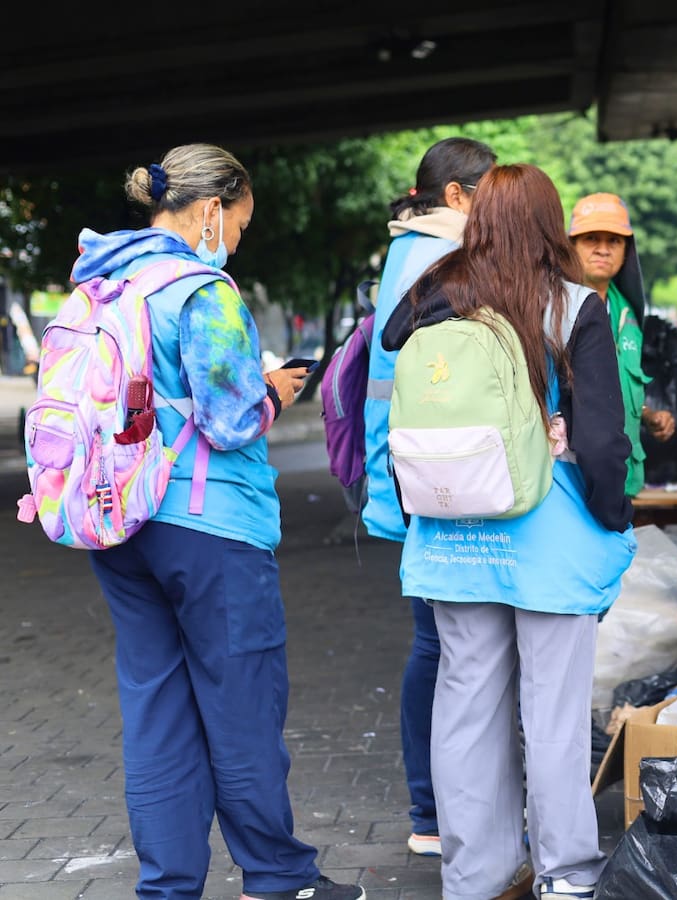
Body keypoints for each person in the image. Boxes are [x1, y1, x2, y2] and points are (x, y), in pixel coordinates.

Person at [77, 144, 365, 900]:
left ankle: (168, 888)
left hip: (117, 521)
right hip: (209, 527)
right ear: (211, 211)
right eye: (238, 224)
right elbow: (232, 417)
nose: (235, 239)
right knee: (240, 709)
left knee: (157, 712)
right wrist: (273, 388)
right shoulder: (202, 288)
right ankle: (277, 878)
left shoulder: (105, 282)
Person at [380, 164, 636, 900]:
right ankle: (563, 876)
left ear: (479, 218)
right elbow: (602, 438)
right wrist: (613, 518)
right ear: (552, 225)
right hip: (546, 536)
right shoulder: (574, 306)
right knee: (551, 717)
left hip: (454, 533)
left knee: (464, 707)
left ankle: (475, 878)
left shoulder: (436, 292)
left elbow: (394, 339)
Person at [360, 136, 496, 859]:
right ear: (455, 196)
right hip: (434, 479)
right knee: (445, 647)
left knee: (438, 644)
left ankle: (434, 810)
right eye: (489, 190)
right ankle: (435, 810)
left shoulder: (411, 250)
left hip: (415, 474)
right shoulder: (438, 259)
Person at [567, 193, 674, 497]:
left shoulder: (626, 312)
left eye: (614, 241)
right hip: (574, 478)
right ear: (571, 246)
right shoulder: (556, 309)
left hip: (623, 477)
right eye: (591, 238)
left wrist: (648, 415)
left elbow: (616, 388)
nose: (603, 249)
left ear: (626, 250)